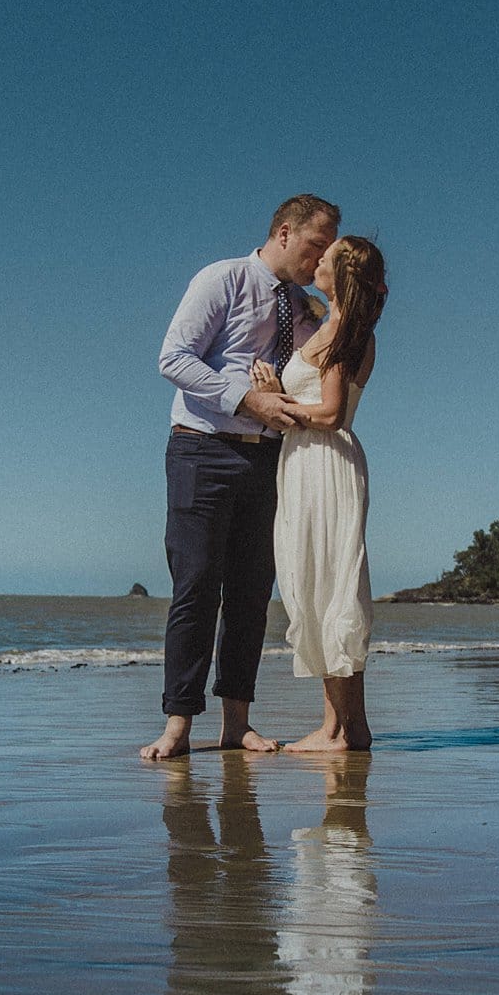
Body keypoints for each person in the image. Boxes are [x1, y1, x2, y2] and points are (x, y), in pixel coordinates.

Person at [142, 195, 340, 762]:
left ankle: (237, 724)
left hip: (270, 460)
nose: (321, 258)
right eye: (316, 245)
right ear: (284, 232)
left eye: (329, 250)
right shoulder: (223, 279)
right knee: (196, 586)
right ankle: (178, 724)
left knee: (252, 594)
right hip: (201, 450)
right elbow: (173, 358)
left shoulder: (305, 307)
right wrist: (247, 399)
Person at [246, 236, 385, 751]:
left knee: (328, 584)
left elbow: (331, 414)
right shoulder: (332, 326)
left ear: (341, 273)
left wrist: (275, 403)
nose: (318, 259)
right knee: (318, 582)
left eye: (326, 256)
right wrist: (277, 392)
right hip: (307, 461)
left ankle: (338, 730)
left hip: (324, 462)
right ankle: (347, 726)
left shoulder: (346, 333)